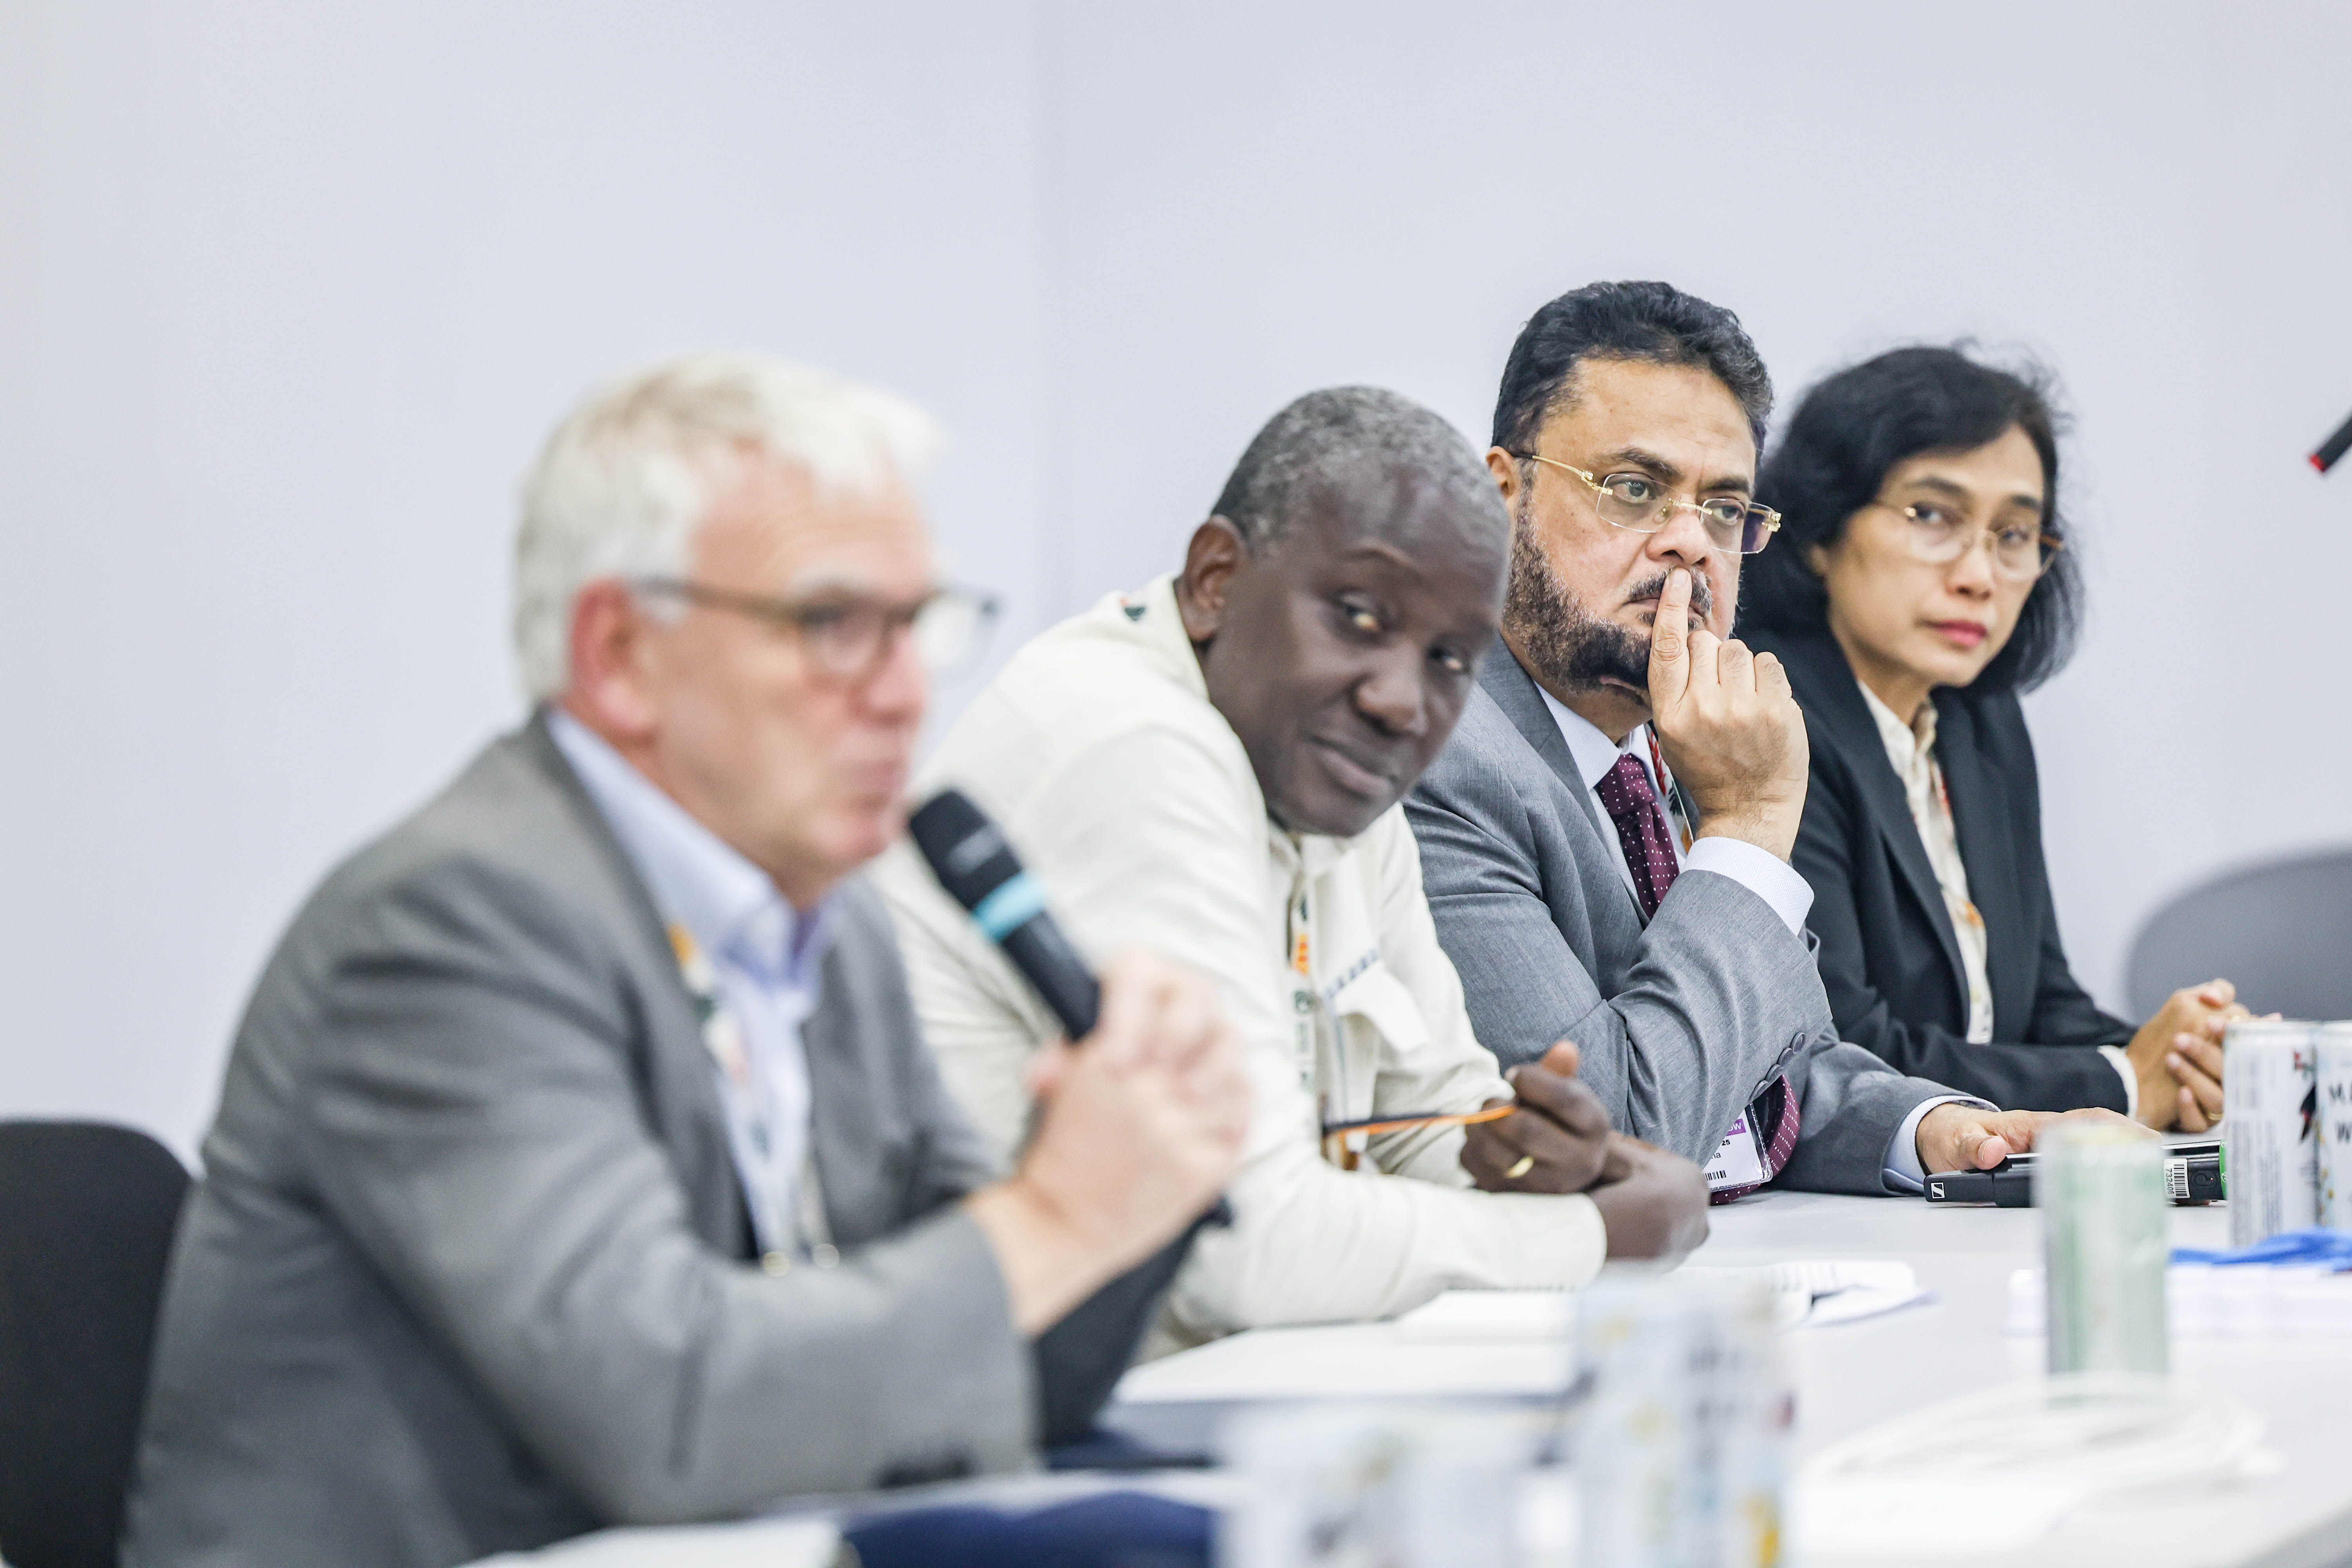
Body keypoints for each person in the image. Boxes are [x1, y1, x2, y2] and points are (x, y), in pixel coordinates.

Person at [122, 355, 1251, 1568]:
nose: (906, 694)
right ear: (618, 653)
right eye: (834, 627)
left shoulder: (833, 921)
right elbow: (665, 1411)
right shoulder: (451, 924)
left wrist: (1143, 1173)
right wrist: (1061, 1213)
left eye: (917, 626)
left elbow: (994, 1363)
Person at [877, 387, 1709, 1352]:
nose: (1403, 700)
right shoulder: (1131, 740)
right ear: (1215, 580)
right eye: (1357, 616)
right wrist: (1593, 1234)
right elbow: (1243, 1244)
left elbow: (1421, 1119)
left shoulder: (1330, 766)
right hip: (999, 1399)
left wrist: (1518, 1161)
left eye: (1450, 658)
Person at [1408, 281, 2135, 1198]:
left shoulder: (1682, 732)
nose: (1688, 542)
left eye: (1722, 508)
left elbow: (1757, 1073)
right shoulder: (1435, 759)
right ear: (1499, 497)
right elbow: (1613, 1140)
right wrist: (1748, 824)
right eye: (1633, 489)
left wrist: (1933, 1127)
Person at [1737, 345, 2239, 1129]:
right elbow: (1840, 1044)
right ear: (1820, 531)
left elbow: (2042, 1003)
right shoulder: (1772, 712)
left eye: (2015, 533)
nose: (1980, 572)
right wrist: (2125, 1081)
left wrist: (2190, 1058)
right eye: (1933, 514)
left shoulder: (1983, 720)